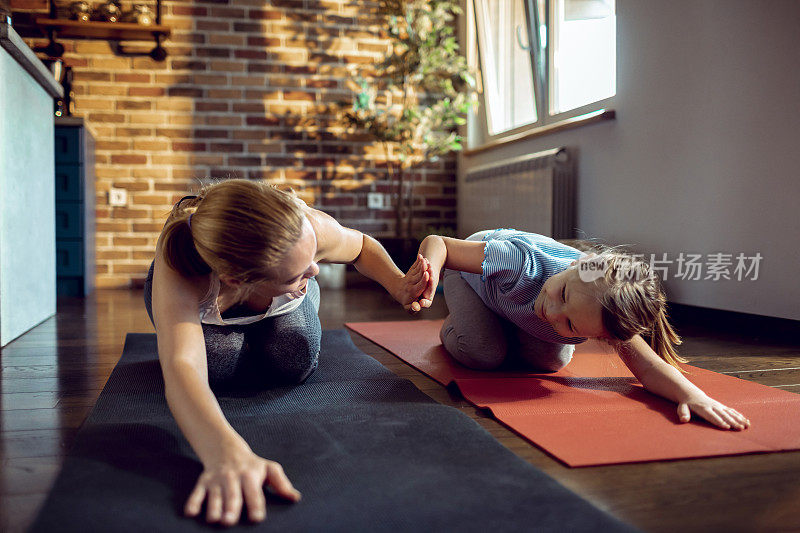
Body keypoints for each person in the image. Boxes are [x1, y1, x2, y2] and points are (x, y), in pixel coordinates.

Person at [143, 179, 430, 526]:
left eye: (313, 257)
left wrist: (399, 284)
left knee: (292, 359)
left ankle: (266, 319)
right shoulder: (184, 267)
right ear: (236, 279)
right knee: (215, 366)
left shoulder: (308, 227)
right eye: (299, 270)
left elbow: (361, 247)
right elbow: (182, 364)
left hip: (279, 300)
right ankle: (237, 336)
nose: (317, 271)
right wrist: (223, 451)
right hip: (212, 306)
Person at [411, 228, 751, 432]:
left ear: (603, 335)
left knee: (550, 363)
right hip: (472, 276)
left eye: (571, 324)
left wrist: (694, 396)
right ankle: (456, 327)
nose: (552, 313)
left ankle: (502, 322)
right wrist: (428, 277)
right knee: (486, 353)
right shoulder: (520, 262)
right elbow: (438, 243)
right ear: (579, 265)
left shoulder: (604, 307)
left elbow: (647, 367)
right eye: (562, 295)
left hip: (511, 303)